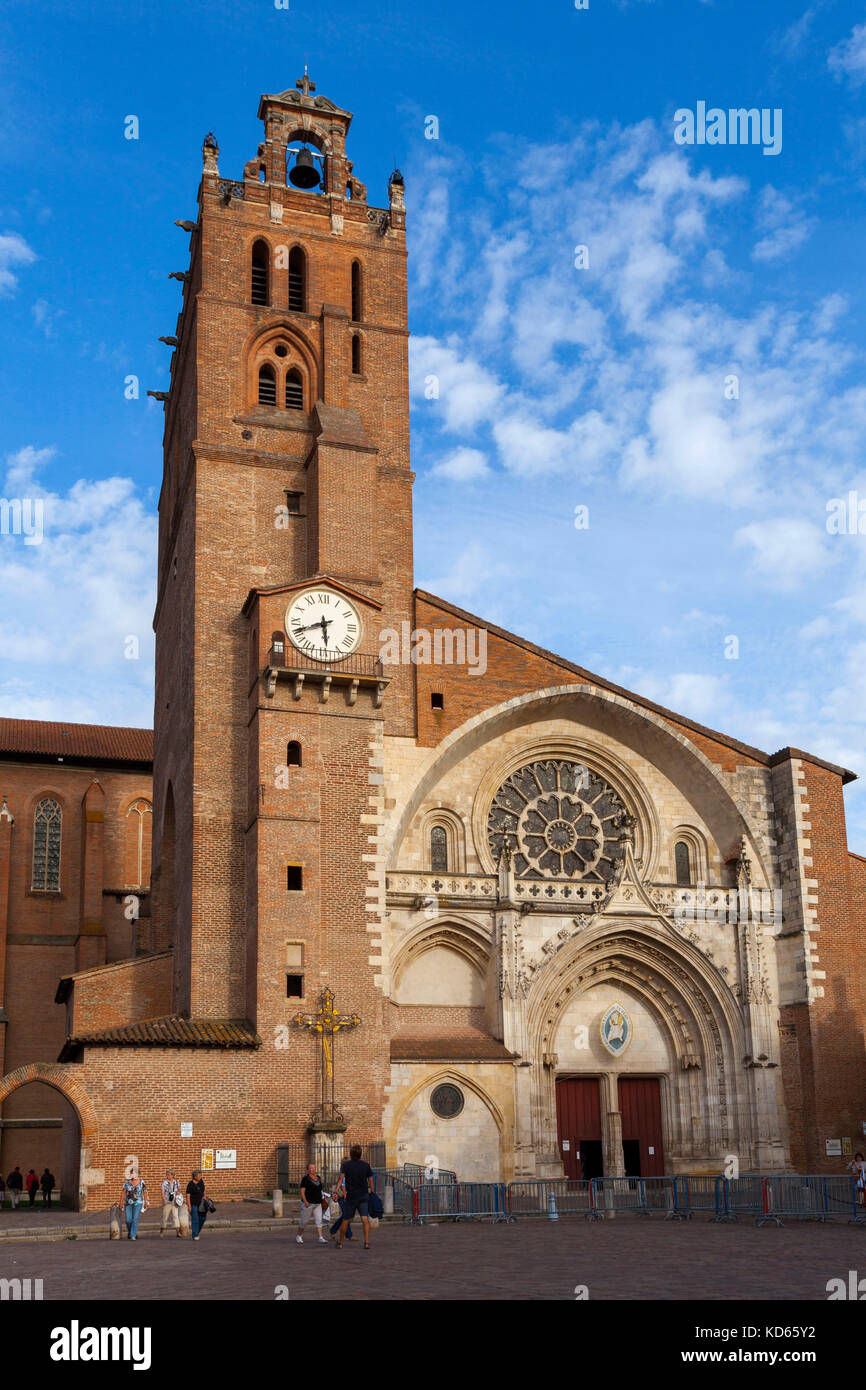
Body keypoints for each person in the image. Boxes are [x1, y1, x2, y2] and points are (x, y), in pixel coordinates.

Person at [335, 1144, 374, 1250]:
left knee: (346, 1219)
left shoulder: (346, 1165)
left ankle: (340, 1243)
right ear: (360, 1154)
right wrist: (372, 1191)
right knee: (365, 1219)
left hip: (351, 1196)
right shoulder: (366, 1165)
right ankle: (366, 1242)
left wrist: (336, 1191)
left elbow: (340, 1179)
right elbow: (370, 1179)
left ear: (351, 1154)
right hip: (363, 1195)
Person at [296, 1162, 328, 1246]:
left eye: (314, 1168)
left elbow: (320, 1190)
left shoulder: (318, 1178)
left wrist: (323, 1198)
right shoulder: (305, 1179)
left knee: (319, 1221)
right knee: (304, 1221)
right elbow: (302, 1191)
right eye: (310, 1168)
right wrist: (305, 1201)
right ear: (307, 1169)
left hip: (318, 1203)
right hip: (308, 1203)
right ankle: (299, 1236)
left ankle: (320, 1237)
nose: (312, 1169)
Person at [119, 1170, 148, 1239]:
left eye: (134, 1173)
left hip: (138, 1203)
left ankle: (133, 1235)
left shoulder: (141, 1182)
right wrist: (121, 1202)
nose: (132, 1174)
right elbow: (123, 1192)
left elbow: (145, 1192)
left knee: (135, 1219)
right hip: (128, 1203)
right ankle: (131, 1232)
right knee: (128, 1220)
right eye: (131, 1173)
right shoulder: (127, 1182)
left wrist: (146, 1202)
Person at [160, 1169, 183, 1237]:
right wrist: (164, 1200)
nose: (167, 1176)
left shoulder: (176, 1182)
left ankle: (178, 1232)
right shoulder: (165, 1183)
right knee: (165, 1217)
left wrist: (178, 1192)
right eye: (167, 1175)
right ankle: (162, 1231)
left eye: (169, 1175)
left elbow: (180, 1189)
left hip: (174, 1202)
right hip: (167, 1202)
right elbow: (162, 1192)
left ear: (173, 1175)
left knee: (175, 1217)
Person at [186, 1169, 207, 1240]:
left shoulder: (201, 1181)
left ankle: (197, 1231)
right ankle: (195, 1235)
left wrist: (204, 1196)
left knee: (203, 1218)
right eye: (199, 1175)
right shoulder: (190, 1184)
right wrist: (189, 1206)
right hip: (193, 1204)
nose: (201, 1176)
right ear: (195, 1177)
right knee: (195, 1219)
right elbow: (188, 1196)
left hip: (201, 1204)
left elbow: (204, 1190)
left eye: (201, 1175)